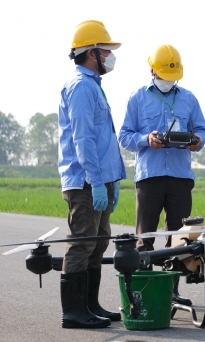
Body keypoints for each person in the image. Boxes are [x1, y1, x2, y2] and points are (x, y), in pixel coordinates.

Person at [118, 44, 205, 307]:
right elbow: (124, 136)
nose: (169, 81)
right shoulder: (136, 98)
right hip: (150, 176)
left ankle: (172, 290)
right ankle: (144, 290)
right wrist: (146, 139)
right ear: (152, 71)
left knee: (178, 236)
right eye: (164, 76)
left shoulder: (189, 98)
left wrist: (197, 140)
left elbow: (201, 129)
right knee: (145, 236)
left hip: (180, 175)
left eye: (173, 77)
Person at [58, 20, 126, 328]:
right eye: (106, 50)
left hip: (101, 181)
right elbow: (82, 139)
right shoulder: (82, 88)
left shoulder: (94, 86)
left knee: (98, 243)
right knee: (82, 242)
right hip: (85, 181)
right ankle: (73, 312)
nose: (110, 56)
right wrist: (98, 182)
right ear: (90, 53)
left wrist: (114, 180)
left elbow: (104, 139)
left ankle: (90, 305)